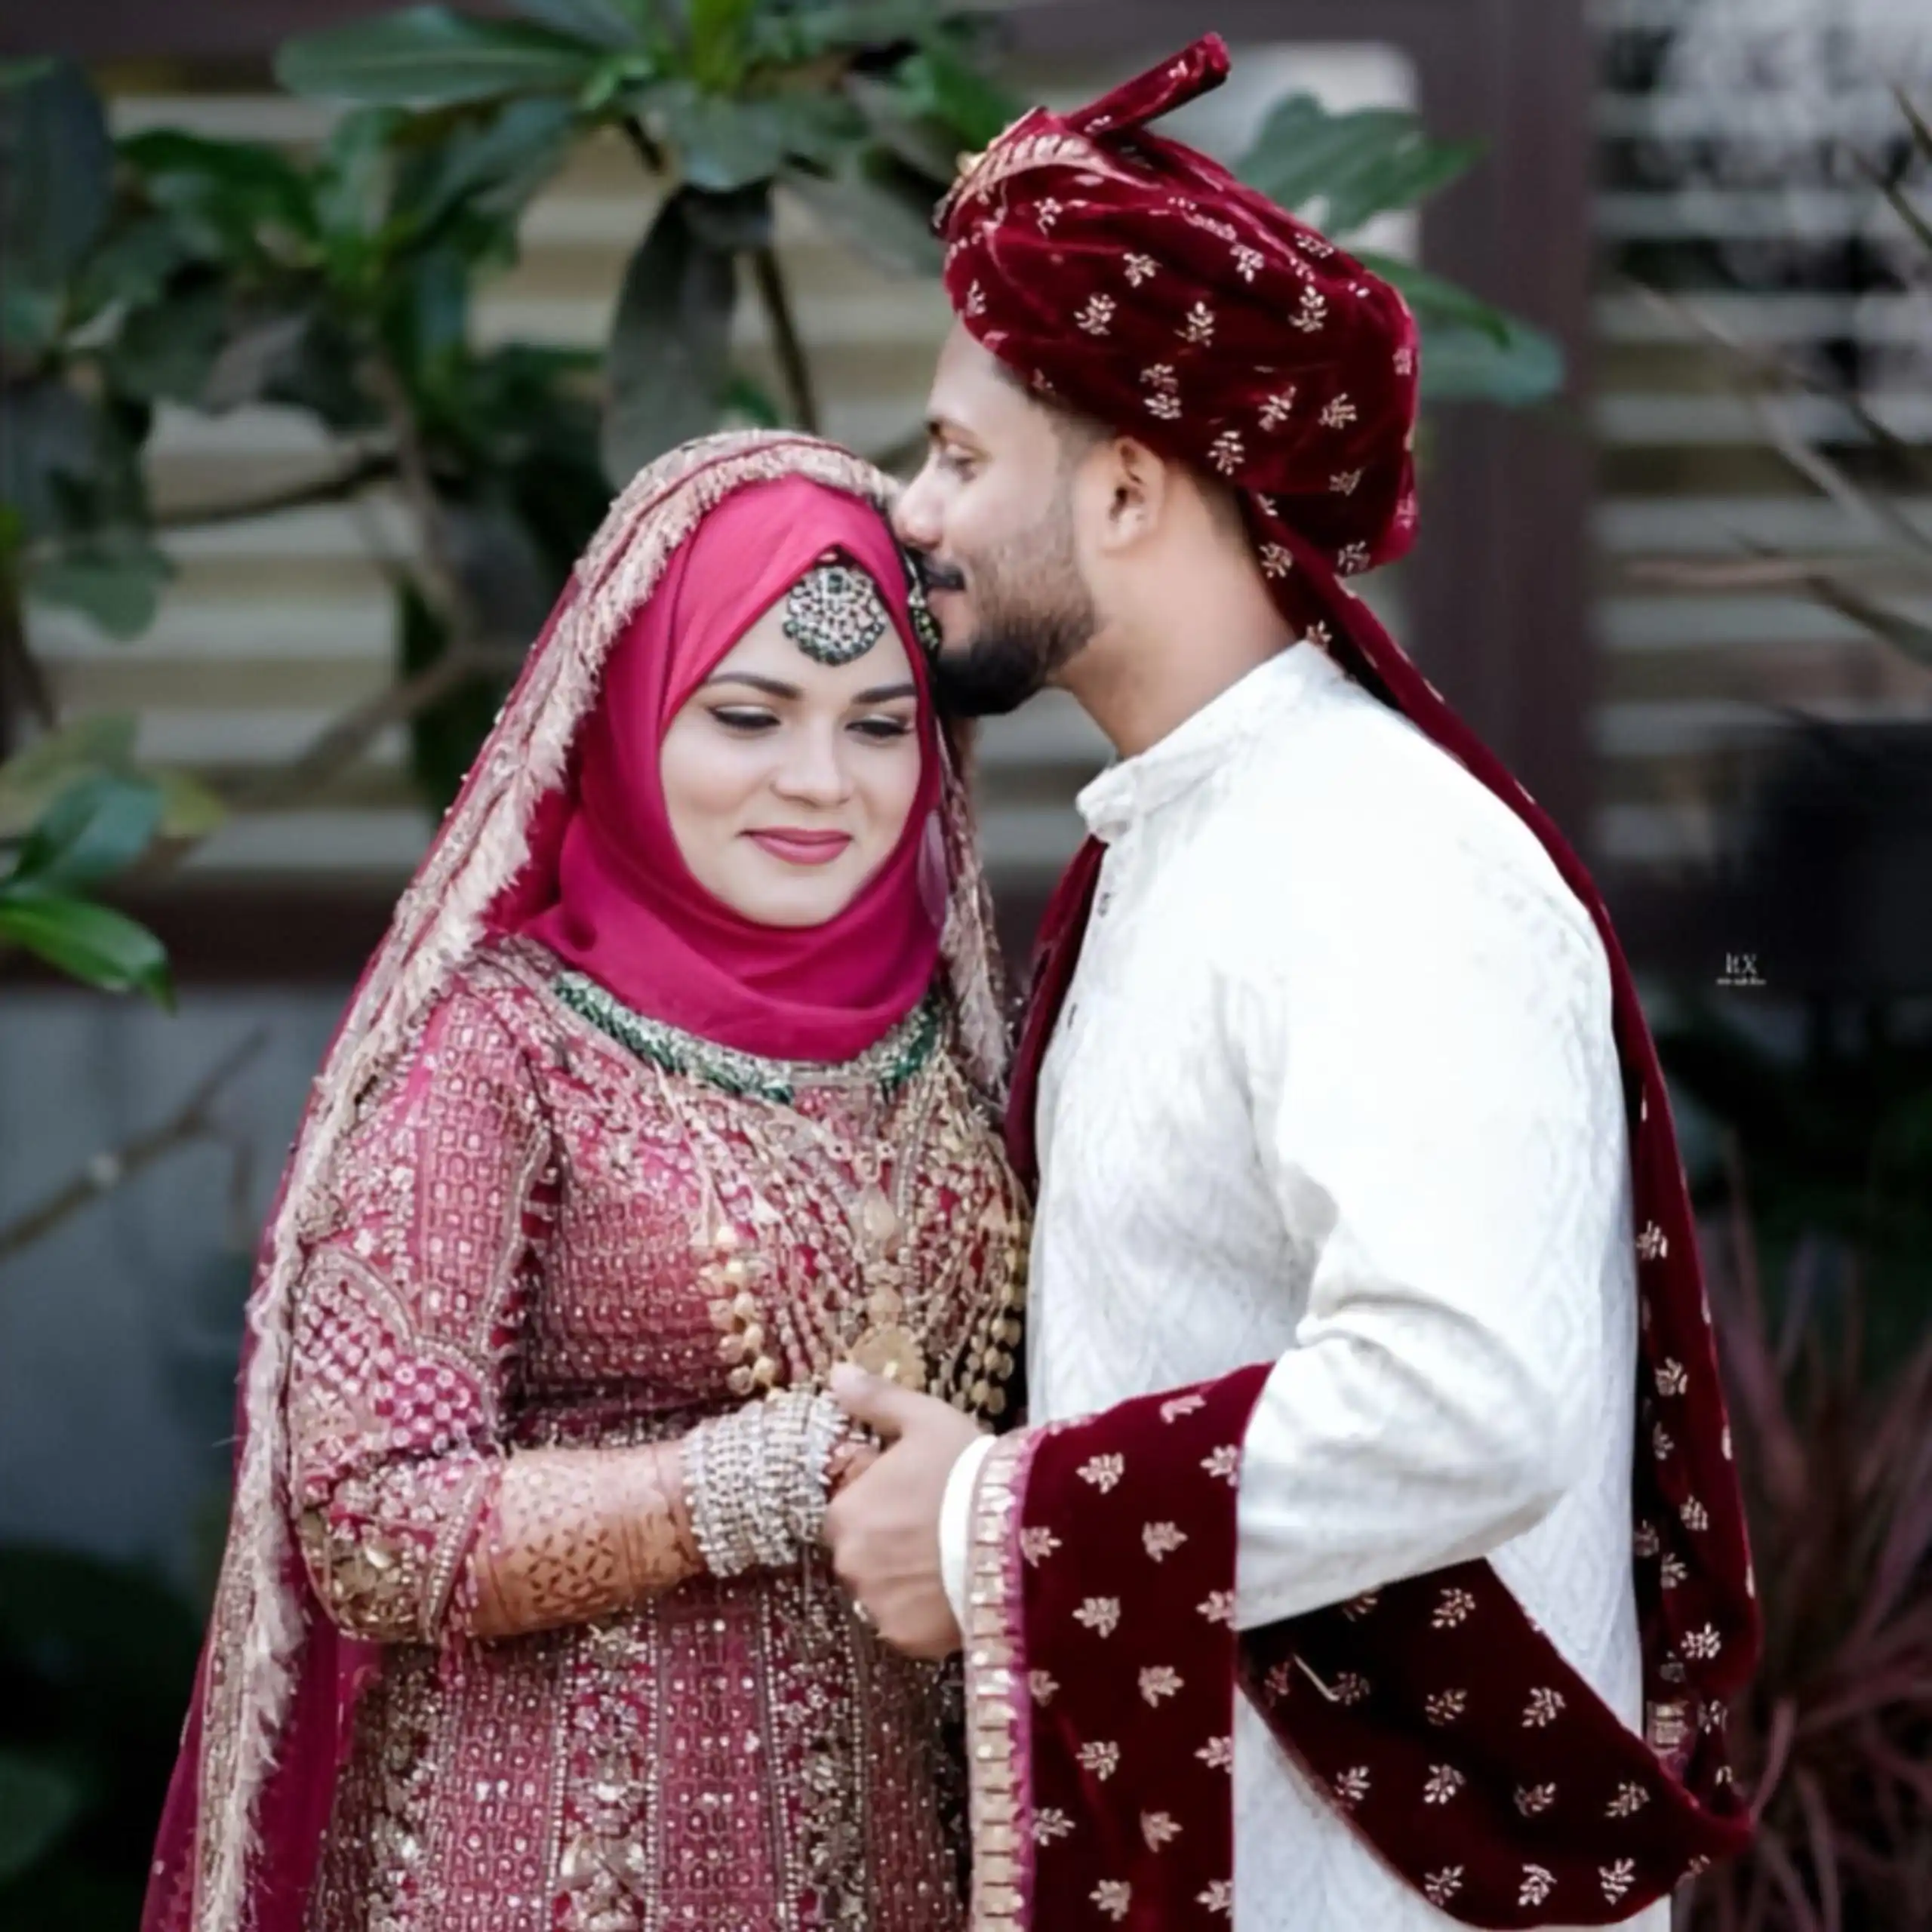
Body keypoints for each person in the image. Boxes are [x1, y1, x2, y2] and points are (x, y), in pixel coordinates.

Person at [823, 38, 1759, 1931]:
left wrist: (987, 1521)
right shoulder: (1190, 836)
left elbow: (1464, 1397)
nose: (910, 511)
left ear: (1126, 491)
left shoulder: (1376, 862)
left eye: (959, 457)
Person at [143, 432, 1031, 1932]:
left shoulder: (956, 1035)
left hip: (903, 1864)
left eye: (880, 727)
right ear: (626, 708)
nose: (819, 781)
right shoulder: (500, 1051)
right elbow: (366, 1515)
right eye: (747, 715)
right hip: (547, 1866)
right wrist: (733, 1487)